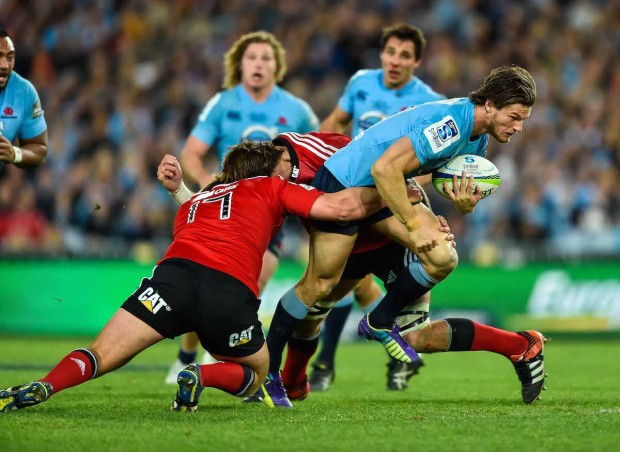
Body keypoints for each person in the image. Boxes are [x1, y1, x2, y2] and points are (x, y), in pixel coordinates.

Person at [0, 141, 384, 414]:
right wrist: (391, 186)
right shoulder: (271, 186)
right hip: (227, 289)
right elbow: (340, 208)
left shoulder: (196, 203)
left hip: (171, 279)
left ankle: (46, 385)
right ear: (265, 172)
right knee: (257, 372)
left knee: (100, 353)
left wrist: (180, 190)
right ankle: (200, 374)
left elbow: (211, 218)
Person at [257, 65, 546, 407]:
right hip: (346, 189)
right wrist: (412, 222)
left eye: (523, 119)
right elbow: (384, 169)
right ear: (489, 105)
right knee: (317, 291)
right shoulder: (452, 125)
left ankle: (516, 345)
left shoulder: (477, 139)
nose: (519, 127)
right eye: (514, 117)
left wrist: (462, 205)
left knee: (434, 278)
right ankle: (272, 374)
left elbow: (420, 175)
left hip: (382, 199)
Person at [165, 30, 319, 383]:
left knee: (256, 277)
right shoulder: (222, 104)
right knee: (201, 277)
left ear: (276, 67)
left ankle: (214, 351)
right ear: (239, 65)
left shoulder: (296, 109)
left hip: (268, 214)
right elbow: (191, 153)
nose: (259, 64)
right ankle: (188, 353)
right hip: (220, 212)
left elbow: (315, 150)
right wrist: (211, 187)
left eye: (266, 58)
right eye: (252, 58)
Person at [314, 23, 446, 392]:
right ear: (381, 53)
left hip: (395, 201)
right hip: (355, 194)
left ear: (416, 61)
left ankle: (338, 361)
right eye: (390, 52)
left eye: (405, 55)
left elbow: (432, 165)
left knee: (351, 280)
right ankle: (332, 361)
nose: (395, 60)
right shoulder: (360, 84)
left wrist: (400, 192)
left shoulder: (430, 102)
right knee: (345, 280)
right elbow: (336, 123)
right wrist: (319, 154)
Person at [0, 30, 47, 170]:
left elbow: (39, 148)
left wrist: (15, 154)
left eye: (10, 57)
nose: (4, 65)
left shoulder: (24, 92)